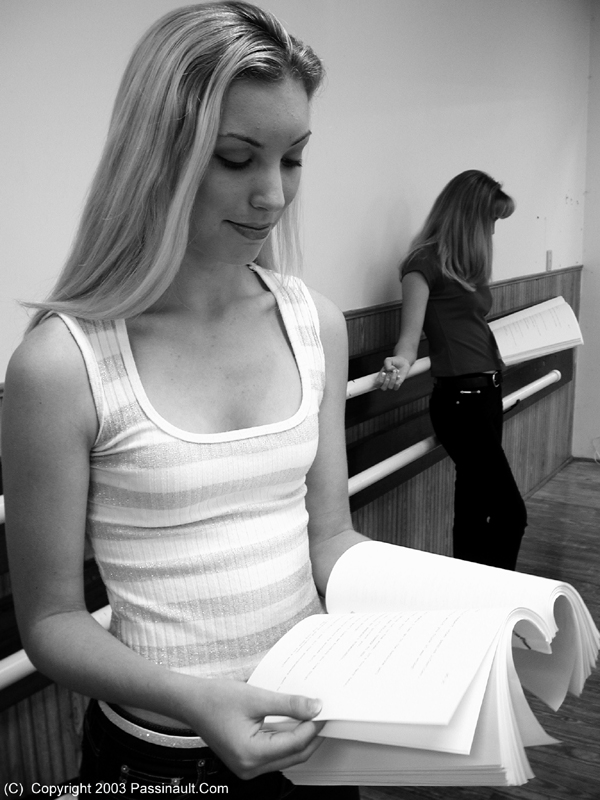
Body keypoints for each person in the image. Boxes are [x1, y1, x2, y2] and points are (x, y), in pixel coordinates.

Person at [2, 3, 367, 796]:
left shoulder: (316, 325)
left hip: (311, 728)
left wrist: (446, 609)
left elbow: (331, 537)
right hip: (159, 759)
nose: (273, 195)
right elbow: (53, 623)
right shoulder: (63, 365)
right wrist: (195, 702)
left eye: (293, 158)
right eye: (236, 158)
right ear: (156, 158)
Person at [378, 170, 527, 571]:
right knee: (511, 513)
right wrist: (400, 362)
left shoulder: (466, 267)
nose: (492, 232)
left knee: (475, 506)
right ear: (468, 216)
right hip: (461, 401)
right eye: (490, 221)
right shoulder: (422, 265)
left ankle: (468, 600)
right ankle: (495, 601)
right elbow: (409, 341)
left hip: (487, 391)